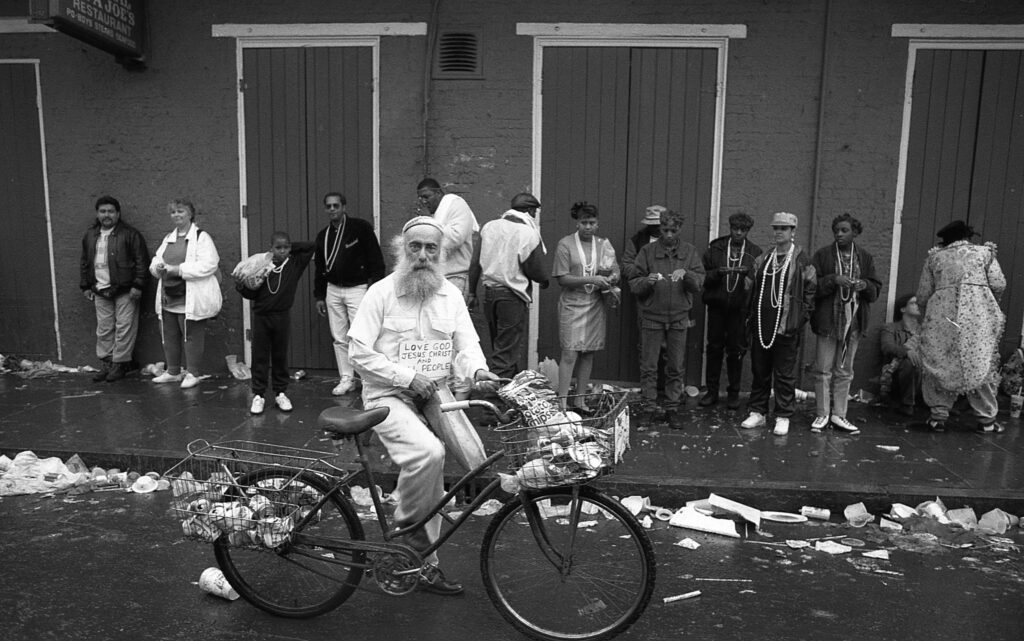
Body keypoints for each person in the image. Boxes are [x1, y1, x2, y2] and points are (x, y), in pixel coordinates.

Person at [347, 216, 501, 596]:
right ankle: (411, 550)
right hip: (388, 395)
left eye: (431, 248)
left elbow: (467, 346)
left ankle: (416, 557)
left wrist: (480, 371)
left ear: (442, 254)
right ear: (403, 250)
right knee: (428, 453)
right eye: (414, 246)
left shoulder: (450, 296)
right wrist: (404, 377)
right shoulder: (381, 293)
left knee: (476, 461)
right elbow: (358, 353)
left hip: (436, 392)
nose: (422, 255)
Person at [907, 220, 1006, 434]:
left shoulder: (935, 258)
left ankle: (938, 417)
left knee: (940, 360)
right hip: (977, 317)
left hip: (943, 317)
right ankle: (987, 421)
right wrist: (986, 297)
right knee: (979, 362)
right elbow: (999, 284)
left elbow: (923, 294)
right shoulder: (985, 253)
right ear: (968, 236)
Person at [741, 212, 816, 436]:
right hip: (762, 325)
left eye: (783, 228)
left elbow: (811, 292)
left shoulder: (802, 260)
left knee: (784, 374)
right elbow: (749, 286)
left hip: (786, 327)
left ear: (793, 232)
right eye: (776, 228)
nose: (778, 232)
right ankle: (758, 412)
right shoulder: (764, 258)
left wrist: (799, 319)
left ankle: (783, 415)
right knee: (760, 370)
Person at [628, 208, 704, 428]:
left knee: (675, 366)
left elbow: (699, 282)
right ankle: (649, 408)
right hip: (652, 316)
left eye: (673, 230)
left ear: (680, 229)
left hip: (679, 317)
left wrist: (687, 275)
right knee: (649, 366)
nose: (669, 234)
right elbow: (634, 282)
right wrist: (647, 281)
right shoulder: (647, 251)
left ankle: (672, 409)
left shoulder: (689, 252)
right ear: (659, 227)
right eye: (665, 229)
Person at [809, 213, 882, 434]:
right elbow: (812, 287)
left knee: (845, 371)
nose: (839, 234)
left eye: (844, 231)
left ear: (855, 233)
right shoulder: (823, 255)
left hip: (854, 322)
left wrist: (864, 285)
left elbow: (875, 288)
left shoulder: (865, 258)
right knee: (822, 370)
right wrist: (833, 280)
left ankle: (839, 414)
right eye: (836, 231)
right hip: (828, 321)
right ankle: (822, 414)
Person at [313, 191, 386, 396]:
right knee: (339, 337)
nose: (332, 209)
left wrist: (375, 288)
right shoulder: (323, 236)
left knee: (362, 335)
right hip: (333, 289)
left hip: (357, 288)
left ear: (344, 207)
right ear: (325, 209)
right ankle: (347, 378)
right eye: (329, 206)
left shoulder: (360, 228)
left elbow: (376, 259)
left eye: (336, 205)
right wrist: (319, 295)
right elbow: (319, 268)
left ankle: (369, 379)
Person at [469, 192, 548, 378]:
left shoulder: (489, 227)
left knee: (500, 344)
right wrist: (544, 280)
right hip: (511, 297)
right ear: (529, 210)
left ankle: (509, 391)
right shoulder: (527, 232)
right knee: (505, 353)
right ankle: (493, 399)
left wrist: (472, 293)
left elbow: (475, 263)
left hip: (489, 295)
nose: (535, 216)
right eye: (534, 212)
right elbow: (535, 268)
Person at [236, 232, 316, 415]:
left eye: (285, 247)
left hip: (282, 316)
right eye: (278, 248)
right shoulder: (262, 265)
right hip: (262, 317)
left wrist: (289, 246)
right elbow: (251, 294)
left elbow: (312, 246)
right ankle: (258, 394)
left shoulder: (294, 264)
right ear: (270, 248)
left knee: (280, 355)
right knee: (260, 356)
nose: (282, 251)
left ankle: (280, 392)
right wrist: (241, 286)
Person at [552, 202, 620, 411]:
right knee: (570, 353)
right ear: (577, 223)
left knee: (588, 353)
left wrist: (613, 278)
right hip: (573, 303)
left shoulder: (603, 245)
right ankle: (562, 403)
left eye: (592, 223)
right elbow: (562, 279)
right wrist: (591, 279)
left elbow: (615, 269)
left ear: (598, 224)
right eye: (584, 222)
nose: (588, 227)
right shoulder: (565, 244)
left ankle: (579, 400)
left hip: (595, 303)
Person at [149, 199, 222, 389]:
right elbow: (156, 259)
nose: (176, 215)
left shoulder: (202, 237)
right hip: (168, 296)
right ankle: (173, 371)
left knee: (191, 336)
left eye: (180, 211)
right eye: (173, 212)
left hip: (190, 297)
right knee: (169, 334)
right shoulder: (168, 238)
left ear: (190, 214)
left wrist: (178, 270)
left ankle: (193, 373)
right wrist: (158, 268)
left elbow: (209, 264)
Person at [79, 196, 150, 382]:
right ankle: (108, 363)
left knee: (124, 327)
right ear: (97, 214)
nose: (106, 215)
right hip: (100, 290)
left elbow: (142, 261)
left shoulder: (130, 234)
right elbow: (85, 262)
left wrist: (138, 285)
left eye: (111, 211)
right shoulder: (90, 235)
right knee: (104, 329)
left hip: (126, 290)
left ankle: (120, 364)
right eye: (103, 211)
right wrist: (86, 285)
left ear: (118, 214)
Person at [699, 211, 762, 408]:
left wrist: (748, 278)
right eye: (735, 229)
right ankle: (711, 392)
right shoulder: (716, 248)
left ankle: (733, 393)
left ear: (748, 231)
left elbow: (759, 282)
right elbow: (702, 277)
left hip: (740, 309)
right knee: (714, 348)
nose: (738, 233)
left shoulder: (754, 252)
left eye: (743, 230)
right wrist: (718, 273)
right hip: (717, 306)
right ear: (730, 227)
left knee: (736, 351)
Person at [416, 178, 479, 302]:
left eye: (426, 197)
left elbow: (455, 238)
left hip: (456, 277)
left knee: (452, 320)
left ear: (438, 193)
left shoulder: (455, 204)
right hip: (437, 278)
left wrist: (428, 224)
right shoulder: (436, 214)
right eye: (420, 198)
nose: (423, 201)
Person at [880, 293, 922, 417]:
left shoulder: (925, 330)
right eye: (913, 303)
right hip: (896, 376)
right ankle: (907, 405)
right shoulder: (890, 328)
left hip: (924, 376)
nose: (917, 305)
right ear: (903, 309)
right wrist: (906, 352)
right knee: (910, 362)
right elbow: (887, 347)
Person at [621, 205, 666, 281]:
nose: (656, 228)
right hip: (643, 286)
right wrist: (644, 274)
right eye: (653, 225)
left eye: (658, 225)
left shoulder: (673, 241)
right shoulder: (636, 241)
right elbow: (626, 265)